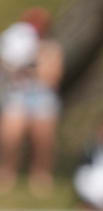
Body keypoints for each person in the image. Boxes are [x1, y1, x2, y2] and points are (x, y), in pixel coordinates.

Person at [0, 7, 63, 196]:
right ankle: (7, 172)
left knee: (43, 138)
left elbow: (52, 77)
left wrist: (33, 62)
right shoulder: (14, 41)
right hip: (17, 95)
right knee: (11, 136)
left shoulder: (51, 48)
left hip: (42, 97)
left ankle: (41, 175)